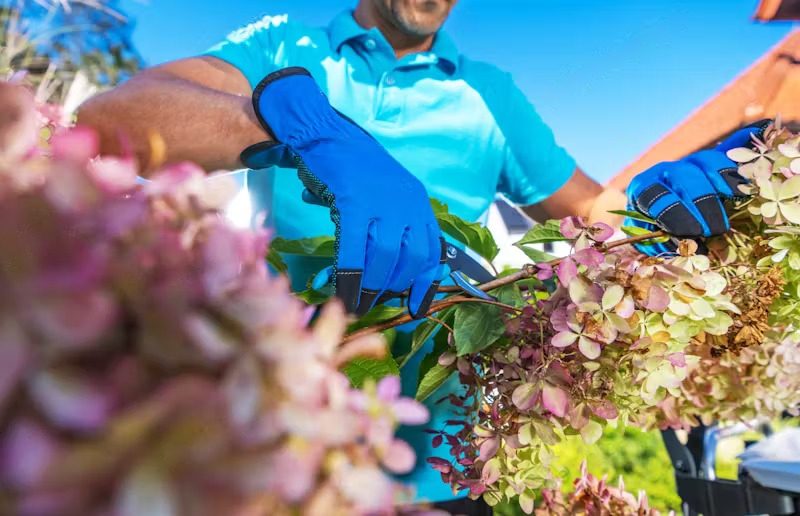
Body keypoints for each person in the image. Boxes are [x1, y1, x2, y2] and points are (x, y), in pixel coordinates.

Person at [77, 0, 760, 512]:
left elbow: (593, 212)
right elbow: (114, 116)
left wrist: (658, 203)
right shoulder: (287, 44)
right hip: (279, 444)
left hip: (443, 462)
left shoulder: (488, 94)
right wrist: (303, 130)